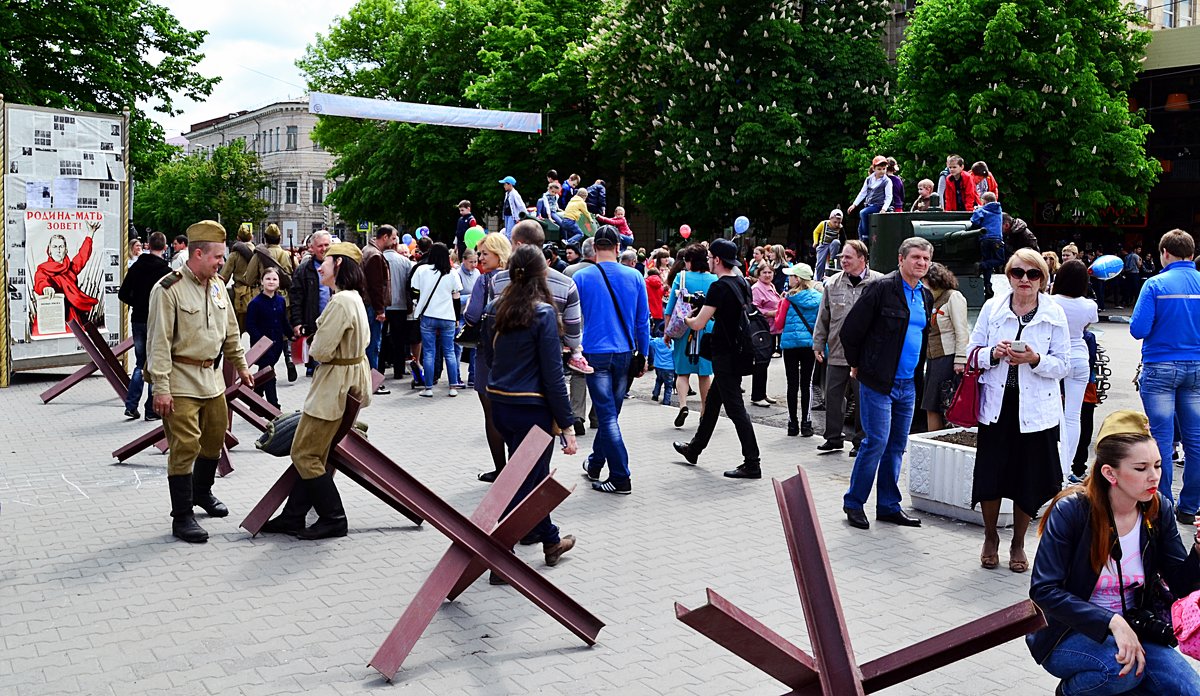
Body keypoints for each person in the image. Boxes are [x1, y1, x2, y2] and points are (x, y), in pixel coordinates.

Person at [1028, 410, 1200, 695]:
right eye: (1141, 468)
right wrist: (1111, 620)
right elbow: (1044, 590)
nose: (1154, 476)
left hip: (1136, 626)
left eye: (1158, 465)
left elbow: (1181, 586)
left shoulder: (1158, 508)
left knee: (1188, 690)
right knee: (1123, 671)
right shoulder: (1071, 510)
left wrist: (1198, 550)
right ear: (1110, 473)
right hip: (1068, 631)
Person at [146, 221, 253, 543]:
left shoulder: (219, 285)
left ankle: (202, 493)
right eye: (218, 257)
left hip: (211, 379)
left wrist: (242, 365)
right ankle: (182, 516)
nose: (222, 262)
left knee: (214, 438)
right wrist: (160, 387)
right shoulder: (169, 289)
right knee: (185, 445)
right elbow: (159, 342)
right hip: (180, 378)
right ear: (197, 253)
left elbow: (230, 331)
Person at [260, 242, 372, 540]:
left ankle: (334, 518)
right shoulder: (353, 298)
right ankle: (293, 517)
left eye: (326, 260)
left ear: (339, 265)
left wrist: (315, 344)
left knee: (305, 453)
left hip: (333, 387)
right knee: (314, 453)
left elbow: (320, 350)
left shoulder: (340, 302)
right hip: (344, 381)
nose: (320, 265)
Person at [478, 244, 579, 574]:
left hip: (502, 403)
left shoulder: (496, 308)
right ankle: (500, 557)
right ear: (542, 274)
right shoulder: (543, 313)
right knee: (526, 482)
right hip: (532, 408)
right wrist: (567, 425)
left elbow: (489, 357)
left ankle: (550, 540)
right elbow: (552, 374)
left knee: (525, 477)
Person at [968, 248, 1070, 570]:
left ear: (1043, 278)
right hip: (997, 405)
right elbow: (972, 353)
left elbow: (1064, 365)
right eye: (1018, 273)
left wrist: (1036, 360)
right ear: (1009, 276)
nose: (1025, 280)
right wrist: (992, 354)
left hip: (1036, 410)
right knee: (991, 475)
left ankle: (1018, 543)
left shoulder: (1054, 314)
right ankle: (990, 536)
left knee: (1028, 479)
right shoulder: (992, 308)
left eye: (1033, 274)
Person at [839, 237, 935, 530]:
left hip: (908, 383)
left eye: (926, 259)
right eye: (916, 257)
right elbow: (850, 331)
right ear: (901, 259)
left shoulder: (925, 296)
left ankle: (888, 505)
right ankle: (854, 503)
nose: (921, 263)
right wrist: (857, 365)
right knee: (876, 442)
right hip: (878, 381)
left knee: (896, 446)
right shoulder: (881, 289)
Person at [672, 239, 761, 479]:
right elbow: (730, 314)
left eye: (711, 257)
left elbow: (699, 323)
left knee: (735, 409)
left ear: (718, 260)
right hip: (738, 350)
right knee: (712, 405)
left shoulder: (719, 287)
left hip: (726, 354)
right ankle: (694, 449)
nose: (709, 260)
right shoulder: (741, 282)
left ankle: (752, 462)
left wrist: (687, 319)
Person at [572, 226, 650, 494]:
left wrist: (572, 349)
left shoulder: (582, 277)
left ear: (595, 248)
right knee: (610, 414)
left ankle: (620, 477)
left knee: (608, 417)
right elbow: (643, 320)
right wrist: (644, 353)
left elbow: (572, 320)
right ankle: (595, 463)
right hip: (625, 353)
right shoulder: (635, 276)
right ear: (618, 248)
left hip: (595, 352)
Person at [1131, 229, 1200, 523]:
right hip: (1197, 368)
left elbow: (1138, 329)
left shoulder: (1155, 285)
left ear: (1165, 254)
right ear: (1192, 255)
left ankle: (1163, 506)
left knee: (1160, 440)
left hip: (1160, 367)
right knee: (1195, 440)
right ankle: (1190, 507)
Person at [812, 240, 882, 456]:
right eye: (842, 257)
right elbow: (823, 316)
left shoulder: (878, 283)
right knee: (832, 396)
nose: (843, 260)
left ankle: (861, 441)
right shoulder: (833, 283)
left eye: (848, 257)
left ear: (862, 259)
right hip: (837, 351)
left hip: (865, 355)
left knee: (863, 399)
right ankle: (833, 438)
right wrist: (818, 343)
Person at [464, 233, 513, 483]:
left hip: (487, 351)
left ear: (498, 254)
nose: (480, 258)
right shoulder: (519, 278)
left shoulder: (485, 281)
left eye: (484, 253)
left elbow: (472, 316)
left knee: (491, 414)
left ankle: (501, 469)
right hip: (515, 352)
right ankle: (519, 469)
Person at [1052, 260, 1099, 481]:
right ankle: (1067, 467)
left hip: (1054, 358)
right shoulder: (1089, 306)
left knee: (1052, 414)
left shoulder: (1049, 302)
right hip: (1080, 358)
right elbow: (1086, 328)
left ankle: (1052, 463)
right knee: (1073, 416)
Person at [118, 231, 171, 421]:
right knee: (155, 363)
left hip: (138, 319)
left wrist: (137, 303)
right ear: (164, 248)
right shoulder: (166, 272)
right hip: (156, 321)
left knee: (140, 363)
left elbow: (122, 294)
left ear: (148, 245)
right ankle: (151, 410)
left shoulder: (136, 267)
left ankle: (131, 405)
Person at [664, 244, 717, 429]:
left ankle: (683, 405)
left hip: (684, 326)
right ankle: (704, 411)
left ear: (689, 261)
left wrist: (667, 332)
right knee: (705, 373)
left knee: (682, 371)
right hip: (707, 326)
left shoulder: (682, 276)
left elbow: (671, 306)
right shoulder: (714, 279)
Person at [773, 263, 821, 437]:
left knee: (792, 384)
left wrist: (779, 306)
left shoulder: (788, 299)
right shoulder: (819, 298)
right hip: (809, 345)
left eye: (791, 276)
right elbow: (820, 323)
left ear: (798, 279)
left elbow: (778, 324)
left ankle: (792, 424)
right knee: (806, 383)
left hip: (791, 345)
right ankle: (806, 424)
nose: (789, 278)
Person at [410, 242, 463, 397]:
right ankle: (453, 387)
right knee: (450, 352)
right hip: (448, 317)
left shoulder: (422, 270)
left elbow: (414, 291)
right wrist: (457, 318)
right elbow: (456, 297)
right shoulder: (452, 273)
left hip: (428, 316)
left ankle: (428, 388)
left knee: (429, 352)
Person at [921, 263, 968, 432]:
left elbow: (962, 330)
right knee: (931, 404)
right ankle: (933, 442)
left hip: (948, 359)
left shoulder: (953, 297)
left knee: (946, 404)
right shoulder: (926, 299)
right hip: (933, 359)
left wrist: (960, 359)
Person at [34, 225, 99, 327]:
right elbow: (40, 280)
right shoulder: (43, 269)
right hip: (51, 315)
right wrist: (46, 287)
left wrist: (90, 233)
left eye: (61, 246)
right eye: (55, 247)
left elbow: (83, 255)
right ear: (49, 250)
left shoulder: (70, 269)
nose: (58, 250)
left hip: (71, 316)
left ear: (66, 250)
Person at [290, 231, 333, 376]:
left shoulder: (339, 266)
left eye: (327, 245)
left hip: (334, 321)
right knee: (315, 369)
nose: (324, 249)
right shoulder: (304, 270)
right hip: (313, 322)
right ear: (312, 248)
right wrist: (297, 322)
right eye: (320, 245)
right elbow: (296, 298)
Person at [245, 268, 288, 409]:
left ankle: (255, 403)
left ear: (279, 283)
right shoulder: (255, 303)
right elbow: (250, 326)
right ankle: (274, 406)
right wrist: (261, 342)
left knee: (264, 373)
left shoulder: (281, 301)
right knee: (269, 374)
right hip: (261, 347)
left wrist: (292, 333)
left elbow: (284, 321)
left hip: (277, 345)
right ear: (262, 281)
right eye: (268, 279)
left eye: (274, 279)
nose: (271, 282)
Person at [361, 224, 396, 394]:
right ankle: (372, 383)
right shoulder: (374, 255)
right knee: (373, 345)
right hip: (372, 307)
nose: (395, 241)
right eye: (393, 238)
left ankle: (369, 380)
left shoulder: (369, 251)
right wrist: (380, 309)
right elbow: (375, 286)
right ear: (385, 237)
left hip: (369, 305)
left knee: (371, 344)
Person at [382, 233, 414, 380]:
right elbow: (409, 285)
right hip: (400, 305)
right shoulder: (405, 262)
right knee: (399, 339)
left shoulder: (379, 259)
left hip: (382, 306)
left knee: (381, 338)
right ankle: (399, 370)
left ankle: (379, 368)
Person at [750, 263, 781, 407]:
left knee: (766, 362)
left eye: (770, 272)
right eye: (765, 273)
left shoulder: (771, 286)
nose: (768, 275)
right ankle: (757, 395)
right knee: (761, 363)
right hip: (762, 330)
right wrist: (770, 313)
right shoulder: (757, 288)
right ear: (759, 274)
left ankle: (762, 393)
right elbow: (753, 308)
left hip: (772, 329)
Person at [847, 155, 893, 241]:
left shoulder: (887, 181)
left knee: (863, 213)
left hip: (879, 205)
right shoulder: (869, 179)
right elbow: (862, 193)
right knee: (860, 228)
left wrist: (884, 209)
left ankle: (867, 236)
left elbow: (889, 197)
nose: (882, 171)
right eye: (879, 169)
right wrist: (854, 205)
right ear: (874, 168)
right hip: (869, 205)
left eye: (884, 169)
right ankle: (862, 241)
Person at [220, 223, 255, 333]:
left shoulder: (234, 255)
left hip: (239, 295)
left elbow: (224, 277)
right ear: (251, 237)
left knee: (238, 328)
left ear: (238, 238)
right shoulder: (258, 253)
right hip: (256, 293)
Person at [972, 191, 1005, 299]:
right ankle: (988, 286)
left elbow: (975, 221)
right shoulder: (999, 210)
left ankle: (981, 266)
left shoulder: (982, 210)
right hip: (997, 239)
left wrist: (976, 210)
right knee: (999, 260)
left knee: (987, 261)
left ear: (984, 201)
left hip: (985, 238)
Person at [455, 248, 481, 386]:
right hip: (460, 314)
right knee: (458, 347)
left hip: (473, 315)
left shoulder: (477, 273)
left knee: (474, 347)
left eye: (476, 261)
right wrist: (470, 298)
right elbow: (455, 297)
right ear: (463, 261)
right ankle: (456, 377)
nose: (474, 265)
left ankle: (473, 377)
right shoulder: (457, 274)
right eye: (471, 262)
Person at [812, 209, 844, 283]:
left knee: (836, 242)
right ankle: (819, 279)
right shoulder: (824, 223)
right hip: (823, 245)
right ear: (830, 218)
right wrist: (815, 242)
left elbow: (843, 238)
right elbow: (816, 232)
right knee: (820, 263)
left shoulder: (840, 227)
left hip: (833, 245)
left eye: (839, 222)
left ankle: (832, 260)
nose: (836, 224)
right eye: (835, 222)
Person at [649, 334, 675, 406]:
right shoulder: (672, 343)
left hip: (658, 366)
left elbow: (649, 341)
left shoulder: (657, 341)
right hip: (669, 367)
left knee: (658, 380)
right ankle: (666, 401)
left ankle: (655, 395)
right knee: (668, 385)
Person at [645, 267, 666, 337]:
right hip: (658, 310)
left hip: (648, 310)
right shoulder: (660, 285)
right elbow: (664, 294)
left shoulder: (645, 283)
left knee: (648, 331)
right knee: (657, 331)